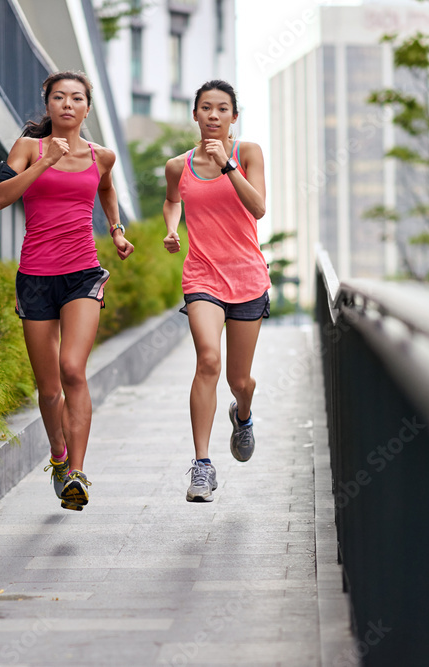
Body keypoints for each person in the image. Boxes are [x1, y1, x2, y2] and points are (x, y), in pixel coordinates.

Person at [0, 71, 134, 511]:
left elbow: (106, 188)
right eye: (59, 97)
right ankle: (58, 454)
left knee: (73, 368)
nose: (67, 104)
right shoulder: (28, 148)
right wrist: (45, 162)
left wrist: (116, 229)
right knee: (49, 389)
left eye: (76, 98)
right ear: (48, 104)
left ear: (87, 108)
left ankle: (77, 473)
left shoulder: (101, 156)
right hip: (35, 277)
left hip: (82, 274)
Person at [162, 79, 270, 503]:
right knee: (208, 359)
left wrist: (228, 165)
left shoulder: (248, 153)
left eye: (222, 108)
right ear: (195, 114)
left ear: (233, 117)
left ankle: (242, 414)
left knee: (239, 379)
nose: (213, 115)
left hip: (247, 278)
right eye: (205, 107)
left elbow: (258, 208)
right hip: (202, 276)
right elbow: (173, 200)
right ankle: (202, 466)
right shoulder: (178, 166)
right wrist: (172, 229)